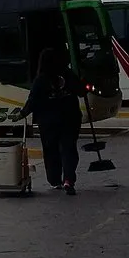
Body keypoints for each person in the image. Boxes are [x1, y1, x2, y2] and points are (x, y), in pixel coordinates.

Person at [13, 48, 84, 195]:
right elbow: (82, 91)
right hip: (70, 119)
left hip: (48, 122)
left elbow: (33, 100)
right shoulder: (68, 74)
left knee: (50, 150)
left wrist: (22, 114)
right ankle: (69, 179)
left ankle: (55, 179)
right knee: (69, 149)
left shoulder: (41, 79)